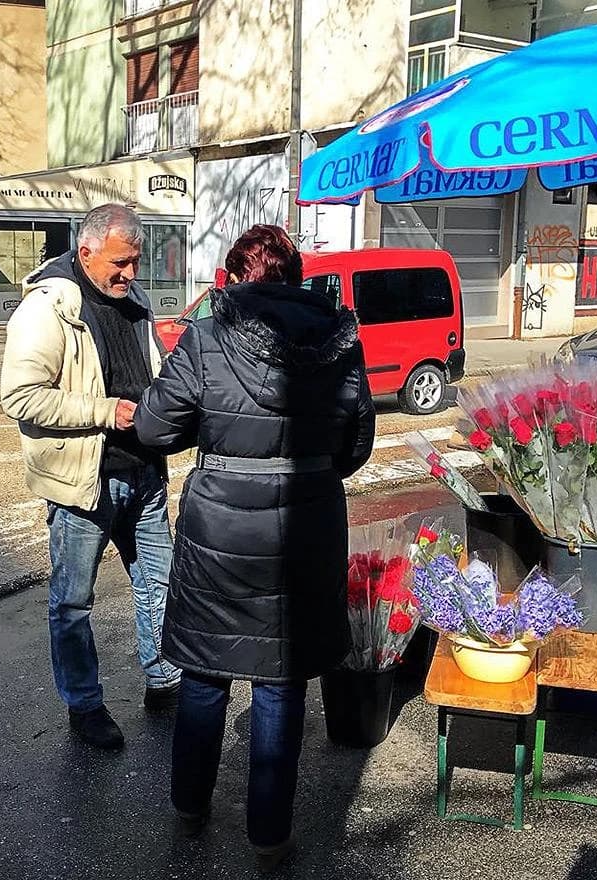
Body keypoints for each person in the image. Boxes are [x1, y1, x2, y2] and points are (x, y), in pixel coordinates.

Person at [134, 224, 375, 869]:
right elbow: (356, 449)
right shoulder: (341, 341)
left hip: (220, 530)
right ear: (296, 278)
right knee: (282, 679)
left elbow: (156, 428)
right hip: (308, 525)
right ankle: (269, 835)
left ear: (237, 278)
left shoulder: (207, 339)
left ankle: (190, 805)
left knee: (206, 674)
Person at [0, 203, 182, 751]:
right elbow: (20, 397)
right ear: (85, 252)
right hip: (84, 482)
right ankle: (84, 705)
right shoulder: (46, 309)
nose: (130, 274)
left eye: (135, 262)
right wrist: (107, 410)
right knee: (73, 602)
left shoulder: (136, 302)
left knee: (160, 582)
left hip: (144, 474)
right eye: (120, 263)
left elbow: (148, 374)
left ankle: (163, 679)